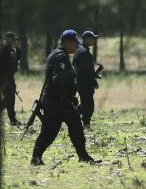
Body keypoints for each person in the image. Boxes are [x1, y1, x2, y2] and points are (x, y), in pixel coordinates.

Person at [31, 30, 99, 166]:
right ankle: (83, 156)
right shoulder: (61, 57)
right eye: (74, 43)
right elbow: (58, 80)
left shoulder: (55, 54)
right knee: (75, 126)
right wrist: (67, 96)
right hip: (59, 102)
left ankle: (36, 157)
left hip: (51, 100)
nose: (75, 47)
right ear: (67, 42)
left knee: (49, 131)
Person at [74, 30, 100, 128]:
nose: (94, 40)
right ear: (86, 39)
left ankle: (75, 116)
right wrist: (94, 82)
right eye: (92, 38)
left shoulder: (78, 50)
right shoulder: (85, 52)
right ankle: (86, 123)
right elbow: (88, 71)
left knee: (85, 103)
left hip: (80, 82)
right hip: (85, 83)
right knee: (89, 105)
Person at [0, 31, 22, 126]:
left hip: (10, 78)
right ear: (8, 39)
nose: (15, 41)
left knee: (11, 99)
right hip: (5, 78)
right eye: (13, 39)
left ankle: (12, 119)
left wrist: (18, 49)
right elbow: (3, 65)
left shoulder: (11, 50)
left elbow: (17, 60)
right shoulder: (4, 50)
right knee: (8, 98)